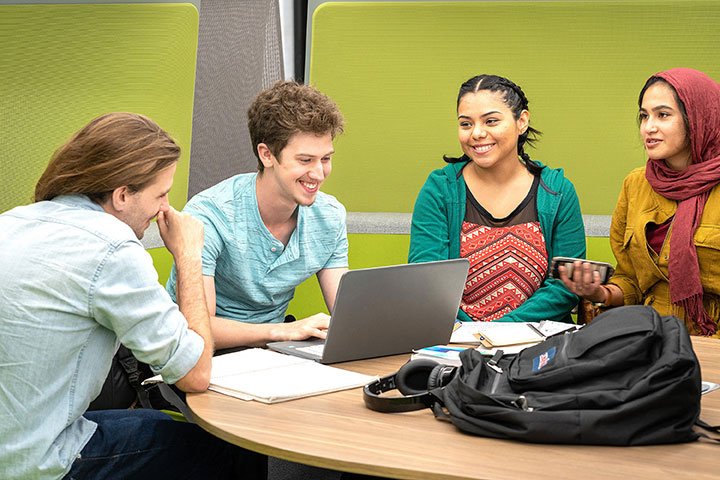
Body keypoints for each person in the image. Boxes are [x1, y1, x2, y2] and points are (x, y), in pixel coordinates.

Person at [0, 113, 257, 479]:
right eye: (161, 193)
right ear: (122, 195)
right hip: (37, 461)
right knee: (222, 447)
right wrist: (189, 256)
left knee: (150, 421)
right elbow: (195, 374)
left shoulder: (12, 221)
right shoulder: (112, 248)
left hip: (11, 438)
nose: (165, 208)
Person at [166, 81, 348, 349]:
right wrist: (283, 331)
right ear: (267, 154)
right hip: (195, 355)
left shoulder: (330, 216)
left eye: (326, 159)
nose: (319, 174)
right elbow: (198, 329)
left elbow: (345, 314)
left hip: (271, 352)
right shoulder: (210, 214)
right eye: (305, 160)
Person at [409, 74, 585, 323]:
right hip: (456, 341)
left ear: (521, 121)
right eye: (466, 124)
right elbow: (426, 281)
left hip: (539, 345)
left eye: (491, 121)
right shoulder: (439, 189)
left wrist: (500, 331)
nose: (477, 133)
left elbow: (565, 287)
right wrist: (472, 336)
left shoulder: (557, 191)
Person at [559, 68, 720, 337]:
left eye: (663, 115)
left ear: (698, 119)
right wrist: (600, 292)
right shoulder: (636, 184)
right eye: (644, 116)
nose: (649, 127)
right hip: (652, 339)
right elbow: (631, 280)